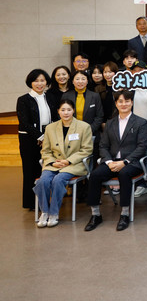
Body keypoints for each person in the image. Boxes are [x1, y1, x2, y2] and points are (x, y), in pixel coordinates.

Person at [85, 90, 147, 231]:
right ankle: (95, 215)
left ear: (132, 103)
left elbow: (142, 147)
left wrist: (124, 162)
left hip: (132, 163)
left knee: (124, 173)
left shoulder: (141, 122)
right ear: (116, 104)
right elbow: (103, 146)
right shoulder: (110, 123)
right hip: (112, 161)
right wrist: (109, 162)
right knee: (95, 175)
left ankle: (125, 214)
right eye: (120, 101)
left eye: (127, 101)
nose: (124, 104)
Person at [34, 99, 93, 227]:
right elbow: (45, 151)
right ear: (58, 111)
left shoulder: (84, 127)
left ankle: (54, 213)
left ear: (73, 111)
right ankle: (44, 212)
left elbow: (87, 150)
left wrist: (68, 161)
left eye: (69, 110)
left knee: (58, 180)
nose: (66, 113)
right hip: (54, 163)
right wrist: (52, 162)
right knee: (42, 181)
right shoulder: (50, 128)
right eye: (63, 110)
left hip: (74, 164)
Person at [17, 69, 59, 210]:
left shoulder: (51, 97)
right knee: (30, 171)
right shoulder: (23, 99)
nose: (39, 84)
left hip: (48, 138)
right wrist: (40, 137)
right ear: (30, 83)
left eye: (42, 80)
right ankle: (31, 203)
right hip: (29, 139)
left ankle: (45, 200)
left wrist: (48, 137)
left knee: (45, 170)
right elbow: (24, 122)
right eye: (36, 81)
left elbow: (55, 118)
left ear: (46, 82)